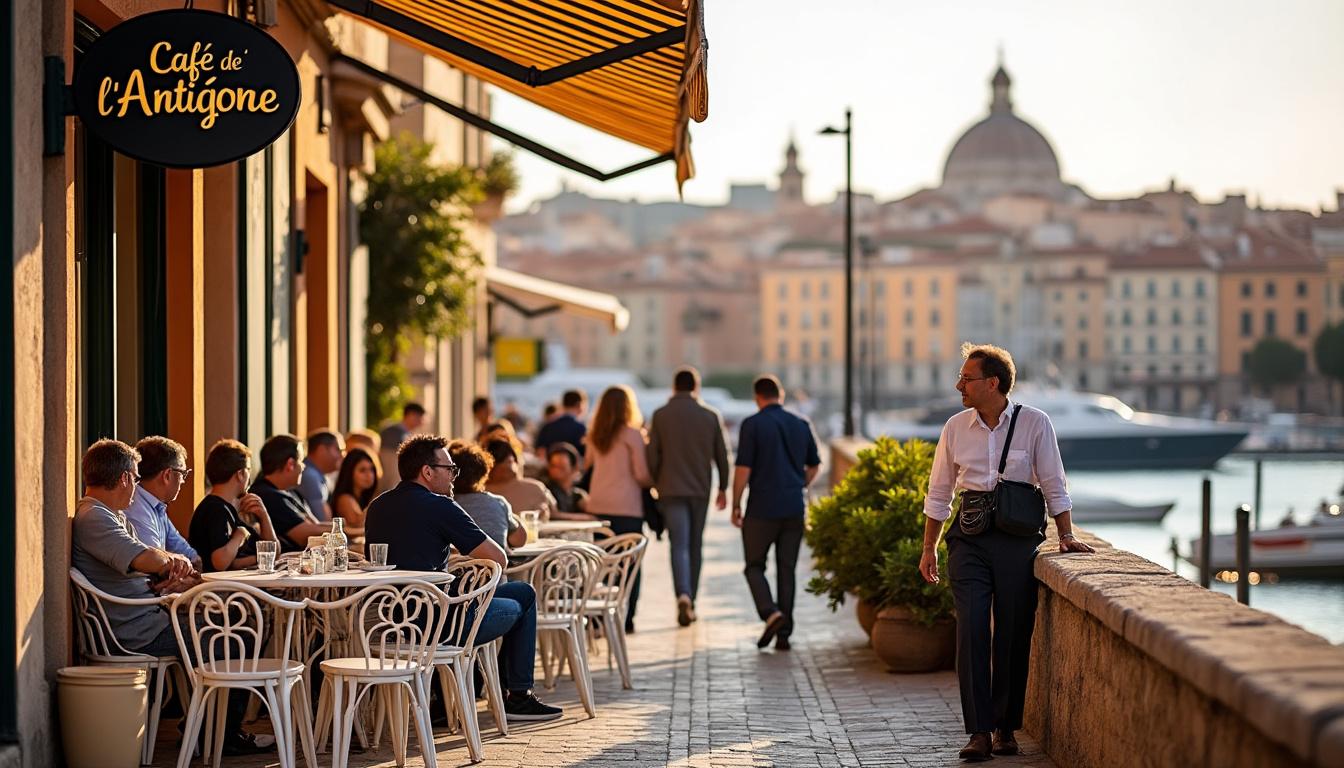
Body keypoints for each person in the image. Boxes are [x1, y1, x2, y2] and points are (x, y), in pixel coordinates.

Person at [918, 343, 1094, 761]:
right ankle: (978, 731)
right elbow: (939, 493)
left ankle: (1005, 728)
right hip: (969, 539)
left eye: (967, 377)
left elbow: (1054, 481)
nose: (959, 384)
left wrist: (1065, 533)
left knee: (1014, 632)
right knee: (973, 629)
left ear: (992, 383)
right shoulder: (955, 428)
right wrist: (930, 547)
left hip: (1018, 542)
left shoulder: (1035, 423)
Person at [71, 440, 271, 756]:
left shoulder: (109, 513)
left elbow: (163, 557)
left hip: (151, 619)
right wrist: (170, 562)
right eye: (135, 479)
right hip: (137, 633)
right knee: (238, 637)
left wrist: (169, 562)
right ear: (124, 478)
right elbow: (146, 559)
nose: (136, 487)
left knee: (236, 622)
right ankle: (215, 733)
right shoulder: (95, 516)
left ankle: (208, 728)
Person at [363, 434, 563, 722]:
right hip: (438, 627)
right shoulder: (441, 505)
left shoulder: (378, 506)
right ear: (427, 472)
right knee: (525, 595)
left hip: (388, 622)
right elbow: (498, 558)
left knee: (497, 595)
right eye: (449, 469)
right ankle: (518, 696)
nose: (454, 476)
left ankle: (444, 701)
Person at [732, 374, 820, 652]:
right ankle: (784, 635)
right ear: (780, 395)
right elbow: (814, 465)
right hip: (794, 507)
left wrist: (736, 503)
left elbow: (743, 469)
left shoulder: (752, 425)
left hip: (761, 508)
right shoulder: (801, 423)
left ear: (758, 397)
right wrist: (798, 485)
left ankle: (770, 612)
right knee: (787, 569)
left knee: (754, 566)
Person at [648, 367, 731, 627]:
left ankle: (681, 593)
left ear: (674, 387)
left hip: (671, 490)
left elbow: (652, 456)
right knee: (695, 545)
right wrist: (723, 488)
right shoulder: (711, 415)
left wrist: (655, 483)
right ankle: (691, 600)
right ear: (696, 387)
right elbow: (723, 455)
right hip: (699, 489)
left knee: (679, 545)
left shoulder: (660, 415)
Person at [584, 385, 653, 632]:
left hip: (598, 507)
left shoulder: (595, 435)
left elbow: (586, 466)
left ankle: (600, 615)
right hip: (628, 507)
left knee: (602, 563)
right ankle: (627, 619)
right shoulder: (633, 435)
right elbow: (642, 475)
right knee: (630, 566)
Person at [189, 439, 280, 572]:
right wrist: (241, 535)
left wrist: (263, 516)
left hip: (241, 587)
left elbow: (274, 551)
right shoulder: (216, 509)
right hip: (227, 591)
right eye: (249, 470)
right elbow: (220, 562)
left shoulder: (225, 508)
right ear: (241, 474)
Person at [125, 436, 202, 570]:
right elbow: (155, 564)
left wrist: (192, 563)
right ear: (167, 475)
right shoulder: (135, 506)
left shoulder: (156, 505)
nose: (183, 481)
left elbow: (187, 553)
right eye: (183, 474)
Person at [249, 434, 332, 552]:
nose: (303, 467)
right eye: (301, 461)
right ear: (290, 464)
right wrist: (343, 528)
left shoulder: (292, 493)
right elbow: (306, 536)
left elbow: (315, 525)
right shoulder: (267, 495)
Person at [449, 439, 526, 550]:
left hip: (457, 566)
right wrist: (514, 517)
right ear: (484, 474)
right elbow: (519, 540)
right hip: (497, 566)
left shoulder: (445, 504)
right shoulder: (499, 502)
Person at [483, 437, 556, 519]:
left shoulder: (536, 488)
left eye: (510, 462)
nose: (507, 467)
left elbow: (553, 512)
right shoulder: (480, 494)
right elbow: (554, 512)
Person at [330, 448, 380, 536]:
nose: (369, 475)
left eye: (371, 469)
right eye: (362, 470)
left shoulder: (362, 497)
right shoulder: (345, 499)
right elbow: (357, 528)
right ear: (349, 472)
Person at [379, 402, 427, 491]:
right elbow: (391, 472)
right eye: (420, 418)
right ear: (411, 415)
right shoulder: (393, 433)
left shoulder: (403, 433)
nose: (422, 422)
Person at [299, 430, 344, 521]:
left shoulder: (314, 474)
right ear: (322, 450)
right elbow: (323, 520)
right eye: (338, 450)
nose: (342, 456)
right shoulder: (310, 476)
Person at [543, 442, 593, 520]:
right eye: (553, 466)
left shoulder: (577, 495)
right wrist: (582, 518)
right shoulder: (544, 490)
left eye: (561, 467)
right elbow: (550, 514)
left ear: (574, 468)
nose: (556, 471)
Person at [535, 389, 587, 458]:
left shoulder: (547, 426)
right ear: (579, 405)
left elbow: (540, 452)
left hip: (550, 467)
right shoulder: (581, 429)